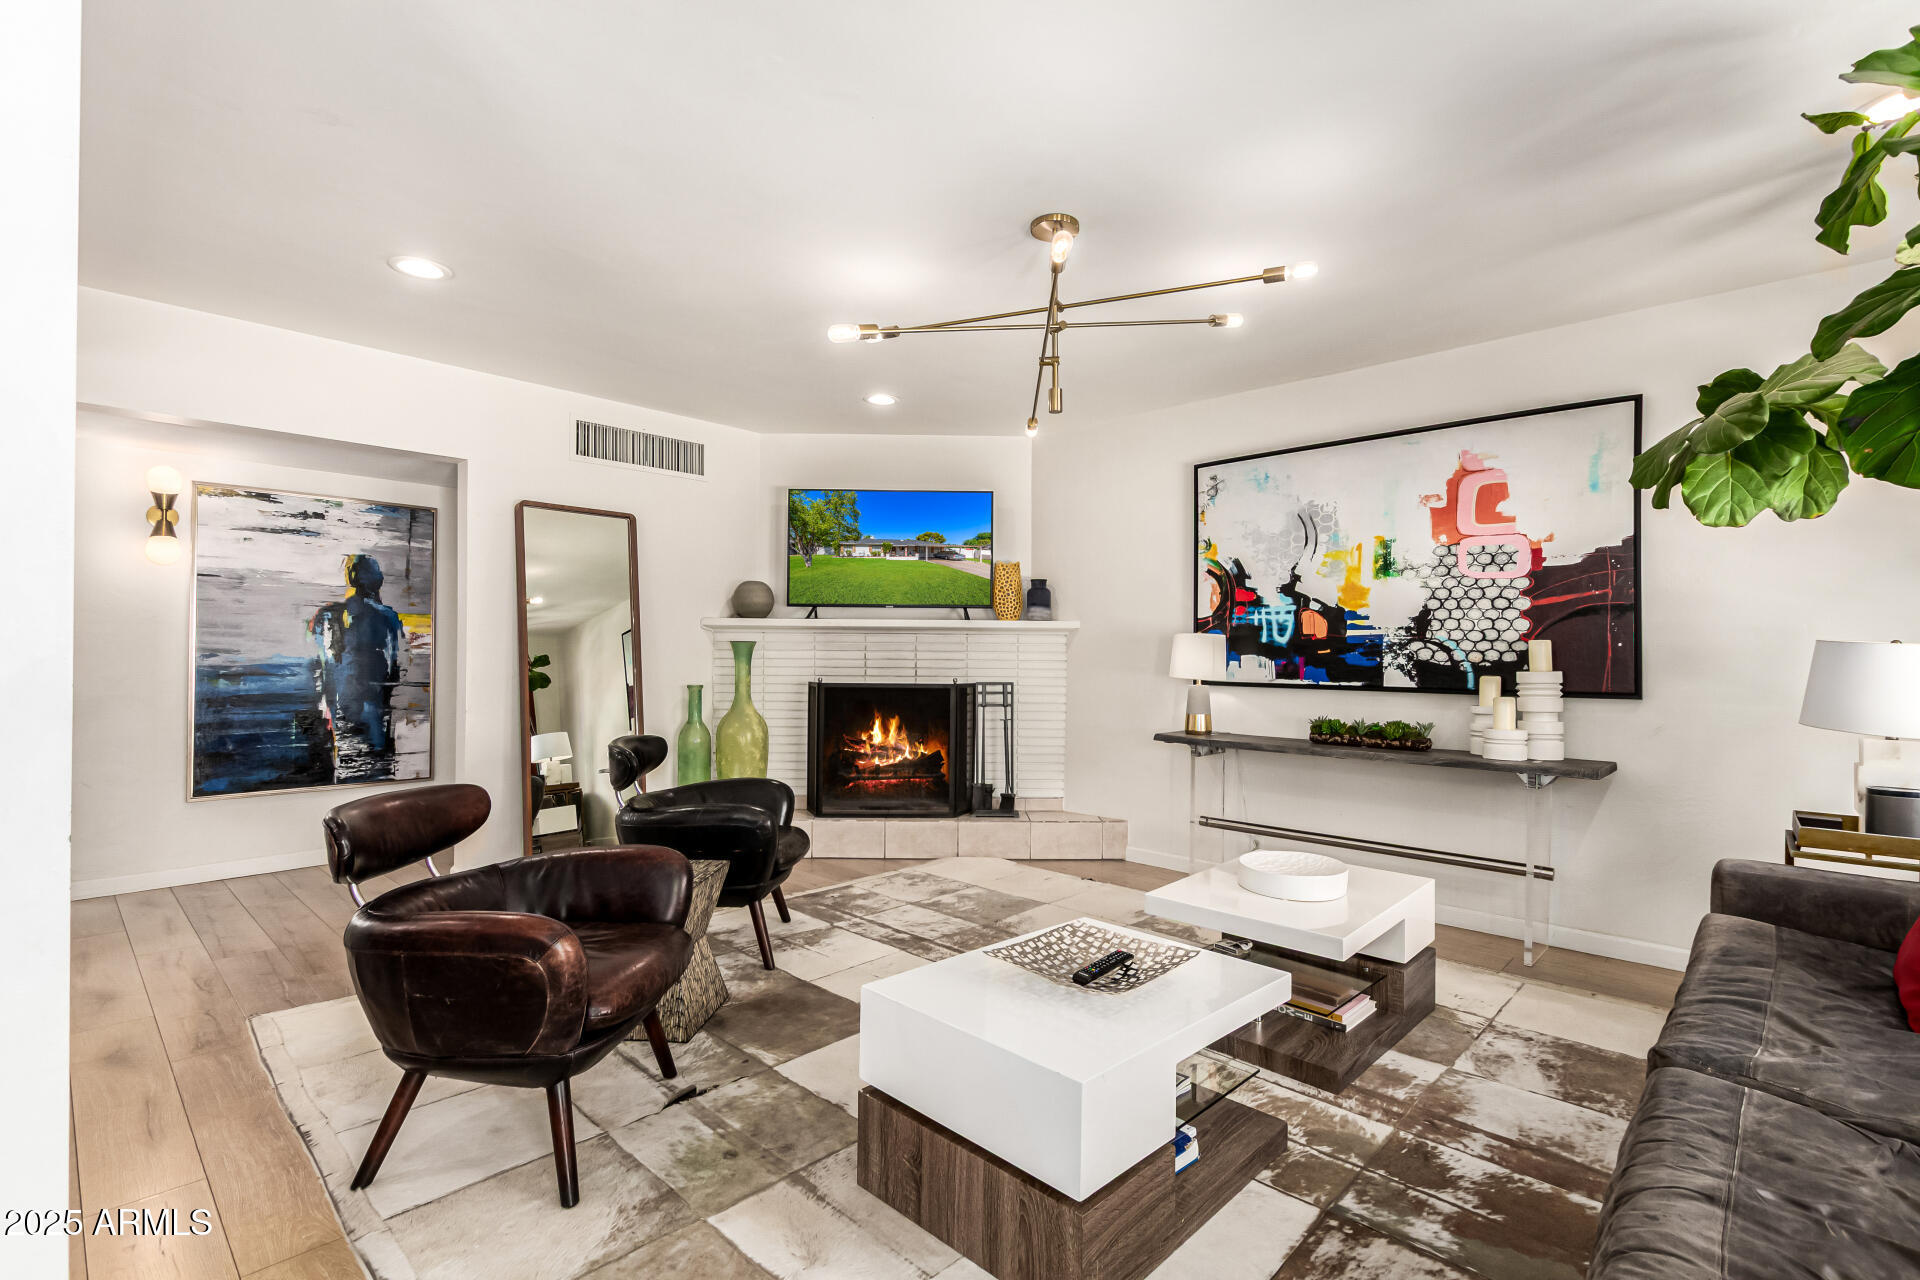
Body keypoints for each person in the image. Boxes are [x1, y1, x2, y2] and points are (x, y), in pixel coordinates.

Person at [309, 553, 404, 779]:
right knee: (377, 768)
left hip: (340, 703)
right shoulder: (388, 616)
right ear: (375, 580)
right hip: (373, 703)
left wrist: (327, 705)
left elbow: (325, 666)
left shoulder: (326, 615)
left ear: (349, 577)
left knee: (345, 766)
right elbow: (394, 668)